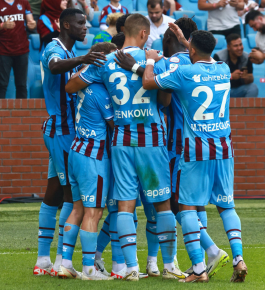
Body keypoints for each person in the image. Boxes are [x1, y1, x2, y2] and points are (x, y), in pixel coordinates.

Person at [65, 13, 187, 281]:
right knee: (162, 203)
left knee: (124, 205)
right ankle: (168, 265)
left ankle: (130, 268)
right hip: (151, 138)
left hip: (120, 139)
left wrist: (98, 78)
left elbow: (71, 85)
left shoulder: (105, 61)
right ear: (144, 34)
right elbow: (165, 101)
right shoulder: (156, 60)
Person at [115, 18, 231, 279]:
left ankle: (201, 256)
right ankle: (172, 262)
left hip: (177, 145)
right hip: (205, 144)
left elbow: (156, 89)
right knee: (187, 205)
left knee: (174, 205)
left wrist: (141, 63)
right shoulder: (209, 65)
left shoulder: (172, 64)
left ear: (173, 39)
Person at [142, 30, 248, 283]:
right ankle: (238, 258)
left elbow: (148, 82)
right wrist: (186, 39)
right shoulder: (223, 69)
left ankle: (199, 269)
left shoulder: (184, 73)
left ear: (190, 50)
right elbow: (199, 51)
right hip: (224, 148)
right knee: (226, 206)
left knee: (187, 207)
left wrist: (148, 60)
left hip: (196, 149)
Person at [33, 8, 107, 277]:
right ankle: (62, 262)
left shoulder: (72, 53)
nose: (84, 27)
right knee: (71, 196)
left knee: (53, 192)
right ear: (65, 25)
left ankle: (43, 260)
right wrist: (85, 58)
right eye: (79, 23)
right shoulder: (54, 47)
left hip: (63, 131)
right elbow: (53, 66)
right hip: (61, 130)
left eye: (85, 23)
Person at [58, 41, 117, 281]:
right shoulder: (101, 91)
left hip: (76, 150)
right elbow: (114, 125)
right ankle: (89, 270)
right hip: (94, 156)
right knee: (93, 213)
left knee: (76, 208)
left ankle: (64, 264)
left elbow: (69, 87)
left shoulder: (81, 82)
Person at [0, 0, 36, 99]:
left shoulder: (23, 2)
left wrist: (32, 24)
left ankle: (23, 113)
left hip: (22, 50)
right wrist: (3, 26)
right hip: (3, 50)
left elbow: (31, 21)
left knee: (21, 85)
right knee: (2, 85)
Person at [213, 33, 258, 98]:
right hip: (223, 91)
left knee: (253, 88)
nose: (239, 48)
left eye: (240, 44)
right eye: (235, 46)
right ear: (228, 47)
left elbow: (250, 78)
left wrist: (246, 77)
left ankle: (246, 108)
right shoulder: (218, 57)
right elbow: (213, 78)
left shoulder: (246, 57)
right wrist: (231, 76)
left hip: (240, 90)